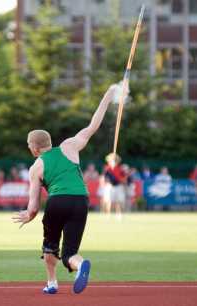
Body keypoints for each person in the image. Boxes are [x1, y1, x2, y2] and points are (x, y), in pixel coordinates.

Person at [12, 83, 124, 295]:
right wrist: (109, 95)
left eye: (29, 145)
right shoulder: (69, 146)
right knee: (69, 252)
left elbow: (34, 205)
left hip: (57, 202)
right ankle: (80, 265)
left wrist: (29, 215)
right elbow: (93, 126)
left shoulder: (36, 167)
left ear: (34, 148)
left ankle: (52, 283)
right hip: (81, 200)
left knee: (50, 245)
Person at [102, 153, 127, 219]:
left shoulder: (120, 169)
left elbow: (124, 178)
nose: (114, 162)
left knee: (119, 201)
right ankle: (108, 215)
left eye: (115, 160)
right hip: (110, 186)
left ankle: (119, 215)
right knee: (109, 201)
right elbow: (105, 178)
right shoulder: (107, 169)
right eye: (112, 160)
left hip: (118, 186)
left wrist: (122, 181)